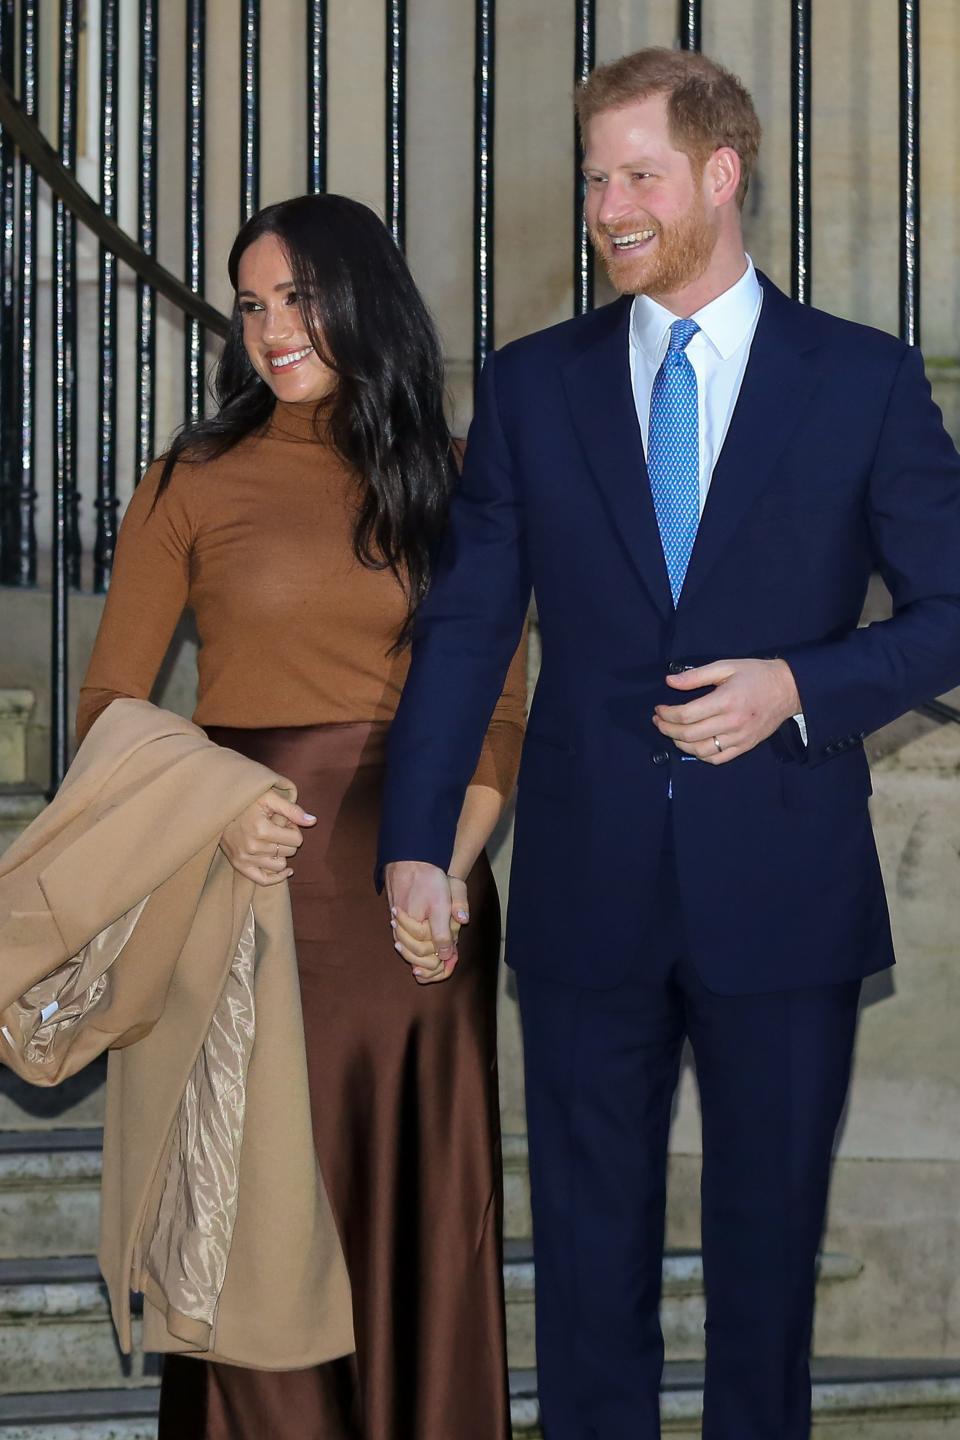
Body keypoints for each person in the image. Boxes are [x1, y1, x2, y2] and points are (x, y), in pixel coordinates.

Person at [378, 47, 960, 1440]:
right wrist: (415, 842)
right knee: (586, 1281)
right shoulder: (531, 387)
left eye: (638, 174)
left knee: (765, 1283)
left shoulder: (863, 380)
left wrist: (801, 686)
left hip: (787, 888)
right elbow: (467, 629)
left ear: (721, 172)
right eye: (593, 178)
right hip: (587, 894)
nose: (610, 205)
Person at [76, 193, 525, 1440]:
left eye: (300, 298)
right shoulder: (192, 477)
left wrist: (448, 870)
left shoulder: (451, 479)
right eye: (254, 304)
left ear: (363, 299)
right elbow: (111, 700)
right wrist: (214, 812)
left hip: (414, 904)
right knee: (248, 1207)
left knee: (414, 1207)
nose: (274, 329)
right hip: (244, 884)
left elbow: (497, 710)